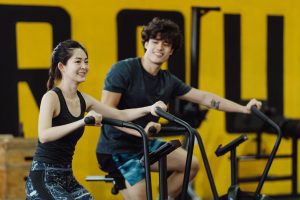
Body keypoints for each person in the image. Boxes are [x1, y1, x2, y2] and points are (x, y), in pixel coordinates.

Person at [96, 17, 262, 200]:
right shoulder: (124, 70)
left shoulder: (168, 81)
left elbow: (205, 98)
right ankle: (123, 180)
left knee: (191, 164)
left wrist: (244, 109)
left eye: (166, 44)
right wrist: (140, 132)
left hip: (143, 144)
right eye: (155, 42)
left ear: (171, 51)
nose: (159, 48)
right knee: (144, 196)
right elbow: (106, 112)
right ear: (145, 44)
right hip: (115, 148)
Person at [24, 39, 167, 200]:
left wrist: (149, 108)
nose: (84, 66)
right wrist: (83, 121)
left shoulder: (84, 99)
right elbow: (44, 135)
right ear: (62, 67)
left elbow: (120, 115)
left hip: (66, 177)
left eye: (86, 61)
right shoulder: (51, 97)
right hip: (43, 177)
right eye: (78, 61)